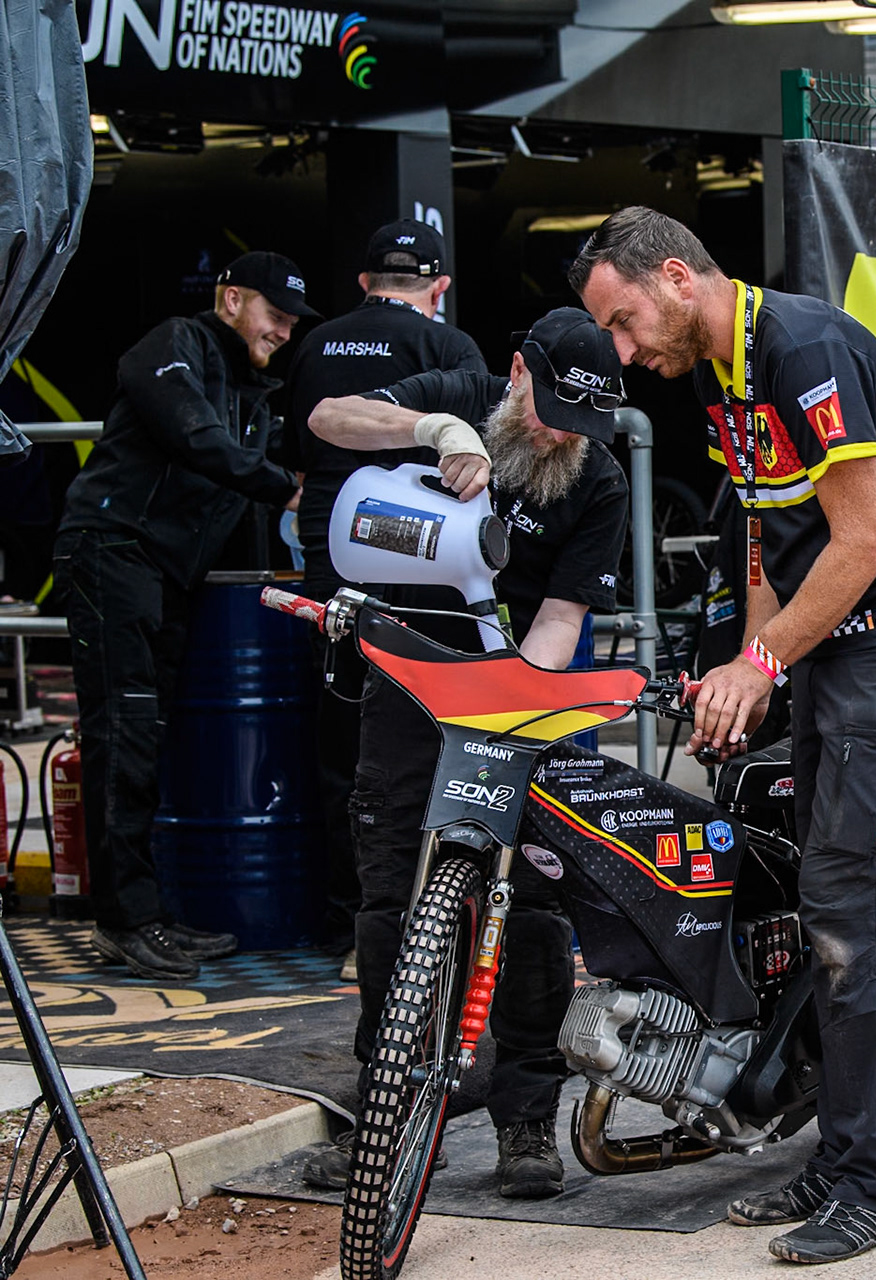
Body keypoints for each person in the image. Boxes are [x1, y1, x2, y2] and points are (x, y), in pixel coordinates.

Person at [572, 205, 876, 1265]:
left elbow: (866, 536)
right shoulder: (721, 367)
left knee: (852, 916)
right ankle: (843, 1157)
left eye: (621, 321)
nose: (620, 352)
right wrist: (741, 668)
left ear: (674, 276)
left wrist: (761, 663)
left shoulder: (799, 346)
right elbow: (766, 523)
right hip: (838, 637)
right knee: (827, 902)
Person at [298, 308, 629, 1200]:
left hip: (520, 696)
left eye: (585, 422)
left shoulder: (596, 478)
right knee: (388, 902)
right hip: (409, 686)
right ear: (518, 372)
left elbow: (563, 620)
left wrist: (515, 708)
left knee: (530, 908)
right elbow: (329, 419)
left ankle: (525, 1120)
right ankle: (389, 1115)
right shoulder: (458, 395)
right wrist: (431, 430)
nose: (566, 433)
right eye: (554, 408)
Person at [52, 251, 315, 980]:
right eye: (275, 315)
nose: (285, 332)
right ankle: (126, 921)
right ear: (230, 298)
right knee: (124, 735)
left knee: (149, 740)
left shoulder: (252, 386)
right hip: (114, 550)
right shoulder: (175, 343)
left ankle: (147, 915)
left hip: (164, 570)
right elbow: (194, 438)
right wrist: (282, 486)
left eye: (294, 322)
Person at [282, 218, 486, 964]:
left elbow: (298, 456)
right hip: (419, 569)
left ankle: (349, 925)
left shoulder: (314, 343)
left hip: (328, 558)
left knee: (344, 740)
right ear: (440, 288)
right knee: (426, 740)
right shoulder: (449, 349)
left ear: (365, 282)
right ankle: (435, 921)